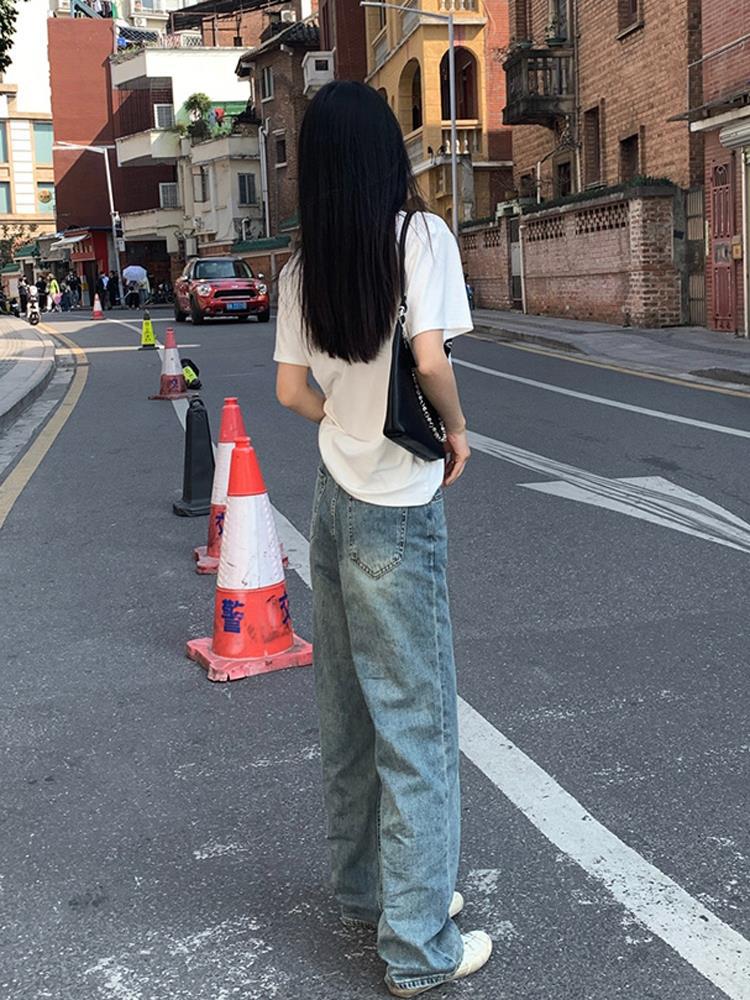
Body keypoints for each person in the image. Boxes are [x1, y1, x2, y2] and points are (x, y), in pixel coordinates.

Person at [274, 81, 489, 998]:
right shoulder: (421, 238)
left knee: (349, 710)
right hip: (398, 503)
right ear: (384, 157)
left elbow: (290, 393)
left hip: (333, 500)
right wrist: (458, 430)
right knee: (417, 723)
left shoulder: (301, 268)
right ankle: (418, 945)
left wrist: (346, 420)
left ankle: (369, 892)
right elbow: (430, 357)